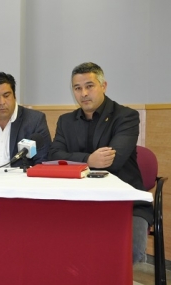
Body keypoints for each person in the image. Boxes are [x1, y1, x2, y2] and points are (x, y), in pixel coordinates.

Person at [48, 62, 153, 264]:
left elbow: (113, 161)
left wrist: (73, 159)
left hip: (125, 202)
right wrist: (88, 159)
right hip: (77, 201)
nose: (84, 93)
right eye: (77, 88)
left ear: (103, 86)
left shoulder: (126, 117)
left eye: (90, 86)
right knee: (57, 247)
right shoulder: (65, 121)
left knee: (124, 254)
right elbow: (54, 156)